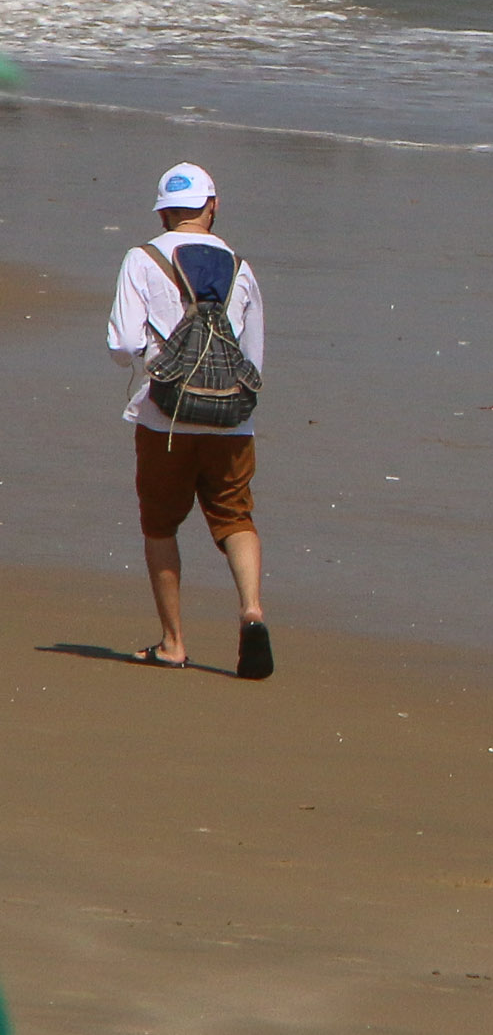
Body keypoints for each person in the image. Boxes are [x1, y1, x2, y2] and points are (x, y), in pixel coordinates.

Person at [107, 163, 272, 676]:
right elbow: (254, 359)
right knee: (234, 517)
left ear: (162, 213)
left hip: (165, 418)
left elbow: (123, 344)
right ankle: (251, 611)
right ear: (213, 206)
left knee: (160, 524)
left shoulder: (143, 258)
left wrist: (157, 361)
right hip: (231, 423)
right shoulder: (241, 267)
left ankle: (173, 643)